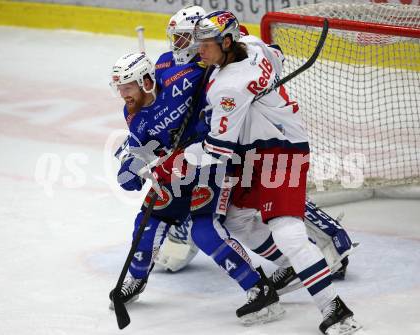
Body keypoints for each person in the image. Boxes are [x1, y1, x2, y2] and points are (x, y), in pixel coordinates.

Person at [181, 10, 362, 335]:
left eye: (206, 44)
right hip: (256, 151)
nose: (200, 51)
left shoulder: (227, 87)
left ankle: (335, 310)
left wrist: (186, 155)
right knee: (235, 217)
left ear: (226, 41)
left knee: (288, 233)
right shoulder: (252, 44)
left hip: (281, 150)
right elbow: (276, 54)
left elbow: (218, 150)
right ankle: (295, 268)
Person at [109, 51, 284, 325]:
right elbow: (139, 146)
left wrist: (261, 53)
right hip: (175, 170)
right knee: (147, 224)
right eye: (119, 89)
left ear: (145, 81)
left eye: (127, 87)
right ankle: (137, 279)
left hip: (209, 163)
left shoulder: (180, 79)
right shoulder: (132, 113)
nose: (123, 95)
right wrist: (130, 166)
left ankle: (259, 289)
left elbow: (215, 59)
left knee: (204, 232)